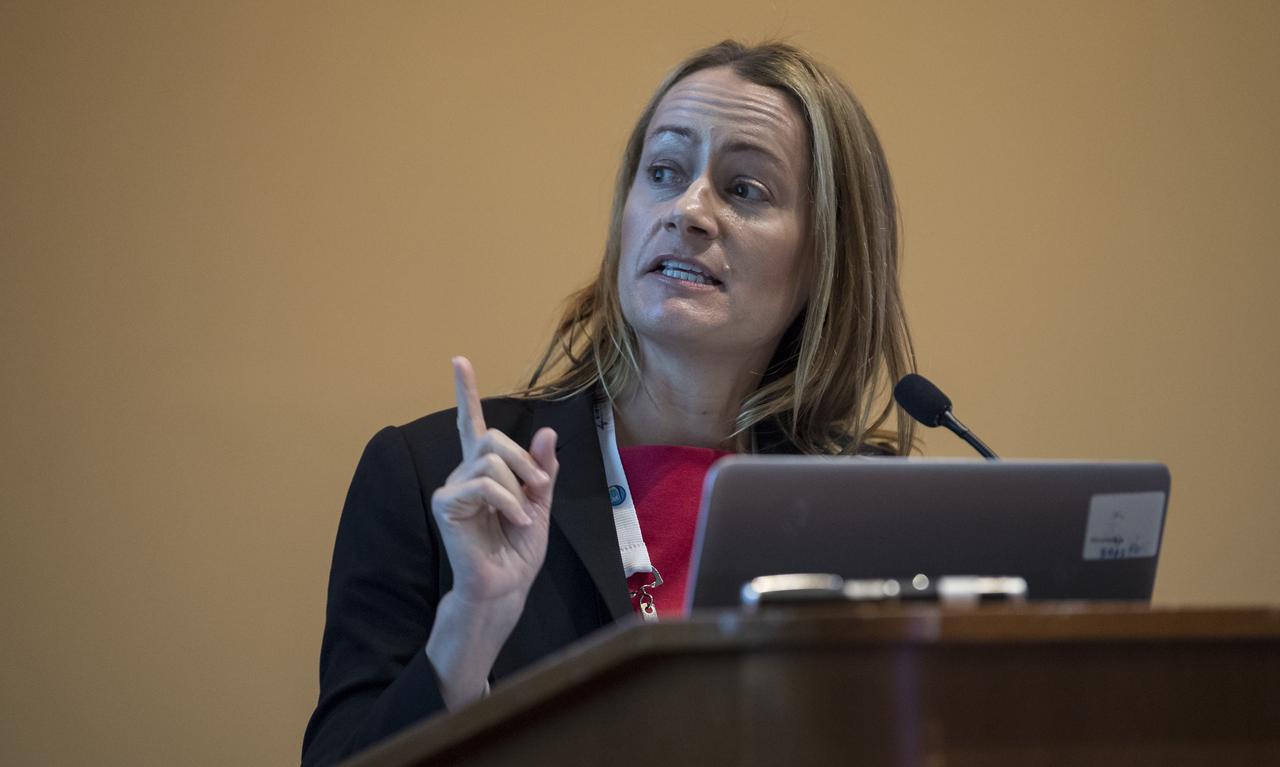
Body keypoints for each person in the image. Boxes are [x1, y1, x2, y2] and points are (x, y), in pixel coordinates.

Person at [300, 39, 915, 766]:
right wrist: (467, 630)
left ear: (825, 256)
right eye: (663, 172)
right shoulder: (435, 479)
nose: (689, 210)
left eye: (746, 189)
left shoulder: (873, 509)